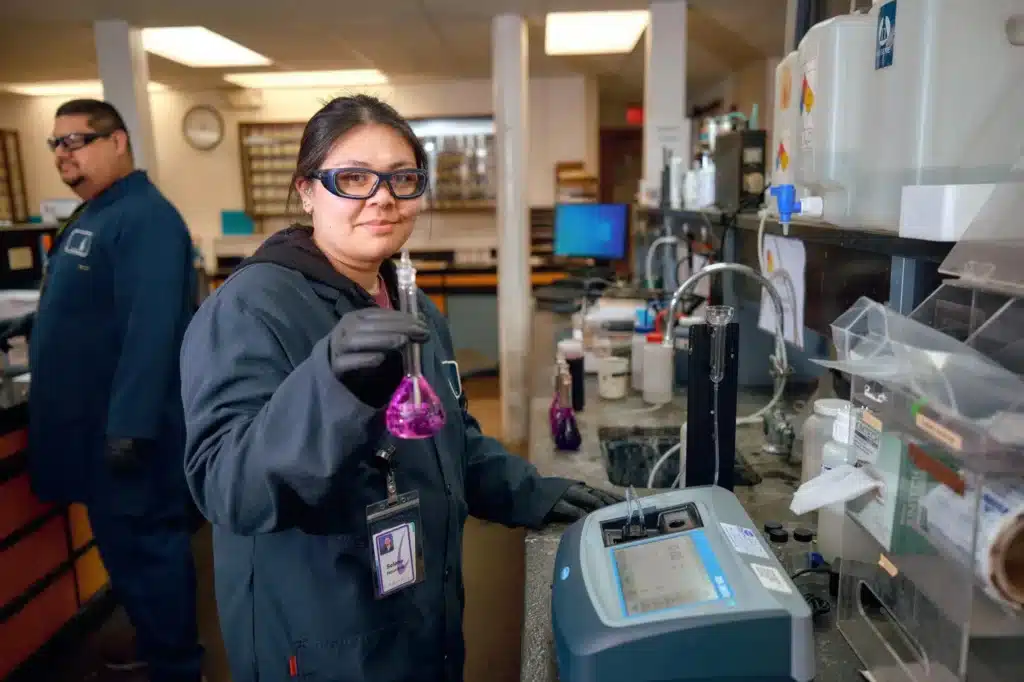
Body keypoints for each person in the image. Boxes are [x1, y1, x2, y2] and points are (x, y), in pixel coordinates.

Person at [180, 95, 621, 682]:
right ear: (308, 190)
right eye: (354, 178)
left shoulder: (410, 305)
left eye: (401, 178)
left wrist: (530, 492)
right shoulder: (249, 308)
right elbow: (229, 488)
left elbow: (447, 442)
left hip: (418, 618)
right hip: (322, 639)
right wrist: (332, 382)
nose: (382, 197)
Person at [23, 99, 203, 681]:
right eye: (55, 144)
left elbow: (151, 330)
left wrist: (129, 427)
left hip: (127, 433)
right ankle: (155, 645)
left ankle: (179, 665)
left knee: (151, 549)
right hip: (92, 432)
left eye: (76, 140)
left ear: (118, 141)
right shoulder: (95, 213)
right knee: (124, 551)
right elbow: (78, 309)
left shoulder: (145, 218)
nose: (63, 155)